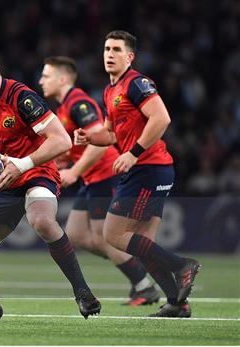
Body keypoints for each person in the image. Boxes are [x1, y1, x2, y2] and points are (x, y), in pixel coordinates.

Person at [0, 43, 100, 322]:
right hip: (2, 180)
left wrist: (22, 164)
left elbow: (61, 140)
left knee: (42, 220)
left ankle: (82, 291)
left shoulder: (21, 97)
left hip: (35, 169)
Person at [74, 30, 200, 317]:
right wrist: (88, 138)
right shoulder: (109, 91)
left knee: (113, 233)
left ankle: (182, 266)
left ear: (130, 56)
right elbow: (109, 133)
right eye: (107, 48)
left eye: (117, 49)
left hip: (148, 169)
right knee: (144, 244)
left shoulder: (137, 83)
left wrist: (133, 153)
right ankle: (177, 304)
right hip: (151, 170)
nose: (109, 54)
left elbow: (161, 118)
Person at [39, 56, 160, 306]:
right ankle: (134, 267)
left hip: (106, 175)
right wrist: (63, 163)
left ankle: (144, 285)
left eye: (46, 76)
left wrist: (74, 171)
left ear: (62, 79)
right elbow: (79, 146)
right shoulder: (63, 108)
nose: (41, 81)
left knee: (106, 237)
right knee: (75, 234)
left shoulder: (78, 103)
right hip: (92, 178)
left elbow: (101, 145)